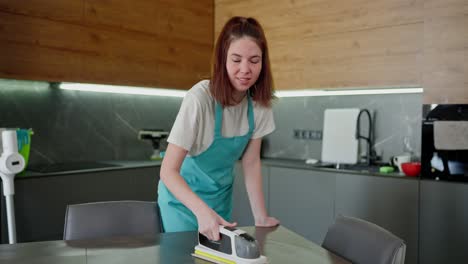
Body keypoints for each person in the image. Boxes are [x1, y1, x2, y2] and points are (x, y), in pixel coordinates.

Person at [158, 16, 280, 241]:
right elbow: (168, 171)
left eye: (254, 60)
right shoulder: (200, 98)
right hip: (182, 203)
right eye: (236, 59)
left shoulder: (260, 104)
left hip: (220, 201)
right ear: (222, 59)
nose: (245, 69)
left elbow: (251, 162)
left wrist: (260, 217)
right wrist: (202, 212)